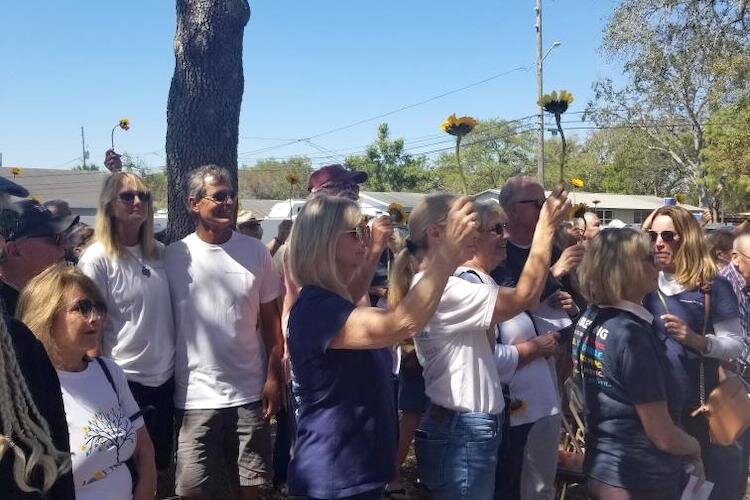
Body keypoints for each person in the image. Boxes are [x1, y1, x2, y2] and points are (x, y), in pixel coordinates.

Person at [286, 194, 479, 499]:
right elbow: (401, 324)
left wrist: (375, 250)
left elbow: (353, 293)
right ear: (324, 242)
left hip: (356, 473)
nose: (364, 238)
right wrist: (447, 251)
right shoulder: (318, 310)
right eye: (356, 232)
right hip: (334, 479)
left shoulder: (330, 302)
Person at [388, 188, 570, 500]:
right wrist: (546, 227)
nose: (477, 231)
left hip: (465, 426)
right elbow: (524, 296)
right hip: (463, 429)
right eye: (467, 223)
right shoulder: (447, 288)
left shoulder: (439, 283)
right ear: (436, 233)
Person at [164, 165, 284, 500]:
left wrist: (273, 378)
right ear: (193, 204)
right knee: (192, 489)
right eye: (219, 196)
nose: (228, 201)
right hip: (193, 397)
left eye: (231, 195)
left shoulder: (256, 252)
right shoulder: (173, 257)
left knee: (251, 487)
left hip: (248, 393)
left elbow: (272, 324)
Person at [573, 228, 703, 500]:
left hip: (603, 469)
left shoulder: (590, 317)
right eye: (648, 257)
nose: (657, 261)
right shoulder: (632, 337)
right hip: (640, 479)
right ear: (626, 268)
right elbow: (662, 435)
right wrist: (693, 445)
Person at [452, 201, 563, 500]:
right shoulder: (468, 285)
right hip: (505, 419)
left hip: (524, 415)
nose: (505, 236)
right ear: (472, 238)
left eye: (505, 228)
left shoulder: (488, 281)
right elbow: (485, 360)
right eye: (496, 229)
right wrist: (534, 349)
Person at [17, 264, 156, 500]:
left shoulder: (109, 372)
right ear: (47, 315)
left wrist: (146, 489)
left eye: (97, 307)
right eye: (82, 308)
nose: (95, 318)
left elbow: (143, 447)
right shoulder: (30, 388)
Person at [77, 170, 176, 477]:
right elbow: (89, 329)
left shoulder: (162, 253)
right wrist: (98, 387)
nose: (137, 202)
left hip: (167, 380)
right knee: (126, 472)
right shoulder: (97, 260)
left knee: (158, 468)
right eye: (127, 196)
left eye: (143, 196)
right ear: (109, 204)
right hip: (124, 382)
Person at [643, 205, 744, 500]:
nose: (658, 242)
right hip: (655, 411)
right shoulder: (643, 283)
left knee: (706, 489)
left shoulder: (712, 286)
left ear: (686, 239)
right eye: (652, 236)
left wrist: (697, 341)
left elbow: (736, 344)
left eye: (667, 236)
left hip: (699, 410)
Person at [0, 177, 75, 500]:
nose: (64, 248)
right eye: (52, 239)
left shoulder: (25, 327)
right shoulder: (13, 338)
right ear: (12, 248)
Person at [0, 200, 78, 315]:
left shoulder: (50, 295)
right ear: (15, 251)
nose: (66, 244)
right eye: (55, 238)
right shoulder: (4, 311)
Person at [719, 233, 750, 499]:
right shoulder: (723, 286)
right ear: (735, 258)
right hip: (729, 385)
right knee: (732, 455)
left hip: (744, 383)